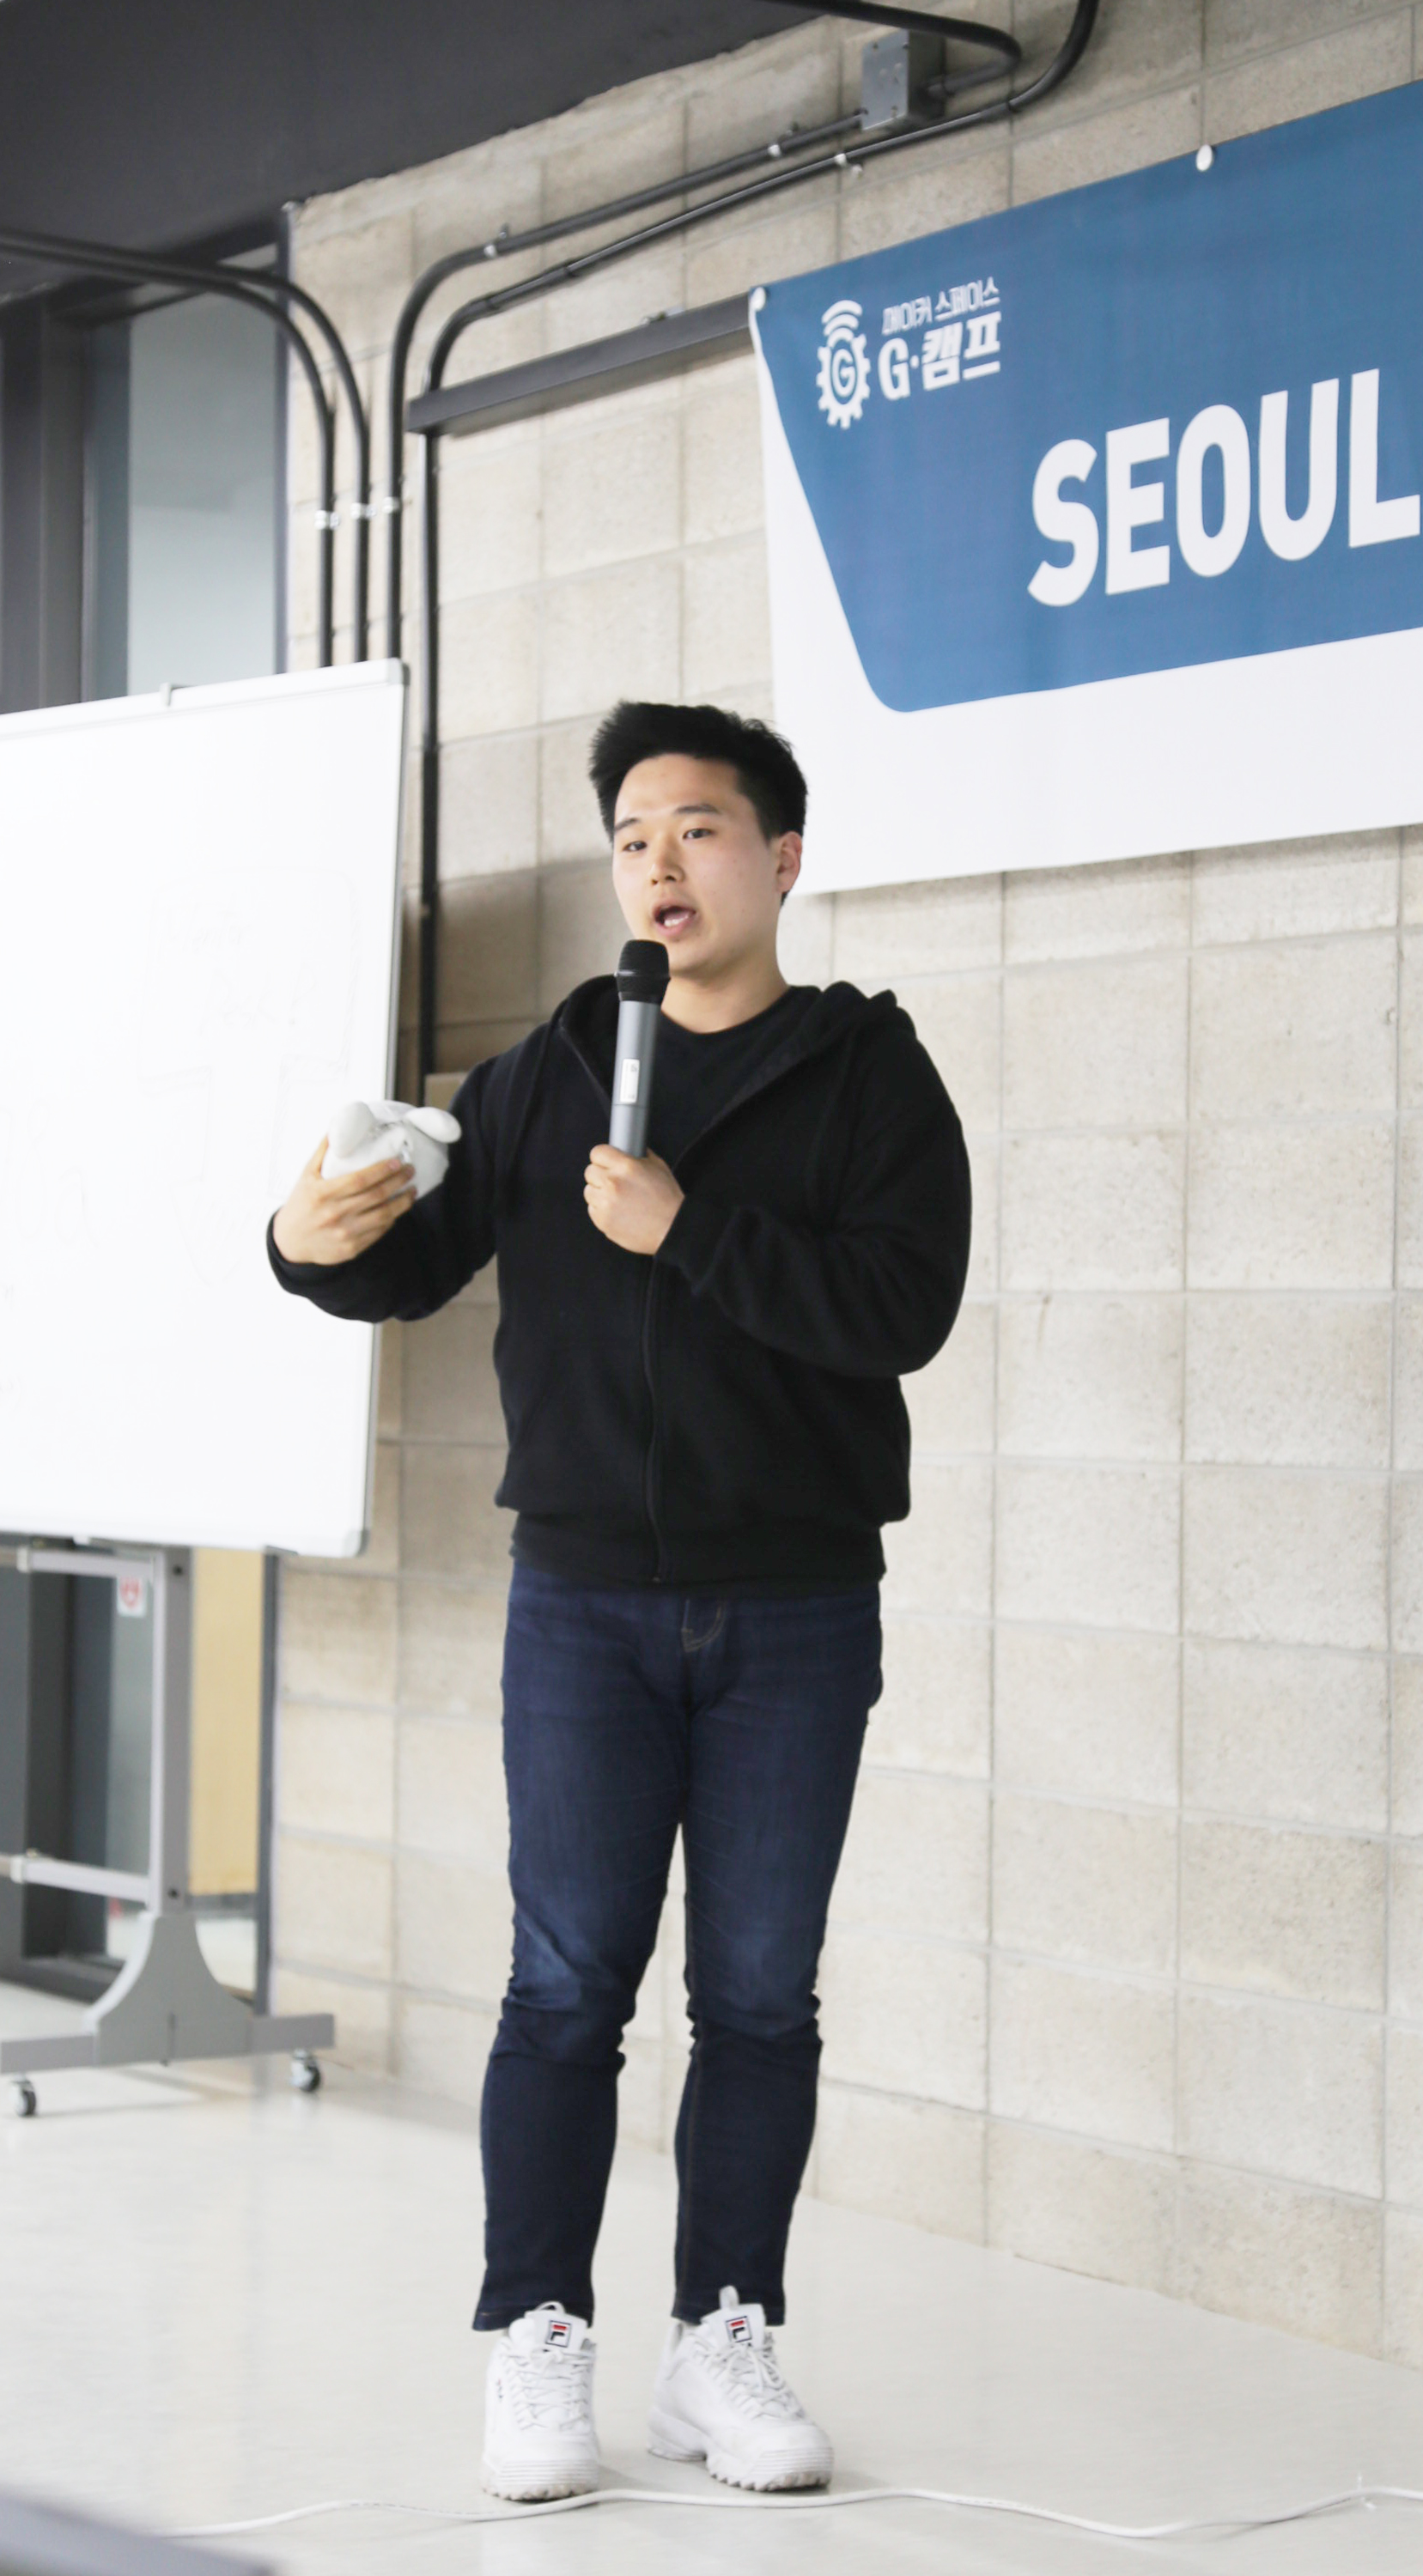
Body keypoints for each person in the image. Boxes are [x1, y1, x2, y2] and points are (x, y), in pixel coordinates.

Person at [268, 702, 970, 2501]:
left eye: (699, 830)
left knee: (760, 1997)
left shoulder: (869, 1075)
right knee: (566, 1986)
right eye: (633, 836)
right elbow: (412, 1265)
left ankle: (721, 2343)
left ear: (782, 859)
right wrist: (304, 1247)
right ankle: (536, 2338)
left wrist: (690, 1230)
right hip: (581, 1604)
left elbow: (902, 1311)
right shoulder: (551, 1070)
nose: (660, 863)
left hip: (795, 1609)